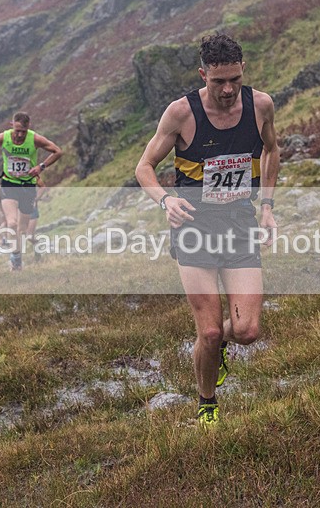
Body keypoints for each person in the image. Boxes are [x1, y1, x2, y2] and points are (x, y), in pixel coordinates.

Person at [135, 33, 280, 426]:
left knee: (246, 330)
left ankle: (217, 350)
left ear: (243, 70)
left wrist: (267, 207)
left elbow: (271, 150)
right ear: (203, 76)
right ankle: (207, 403)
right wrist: (165, 201)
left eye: (234, 79)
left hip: (239, 223)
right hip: (194, 226)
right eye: (218, 82)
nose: (228, 89)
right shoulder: (181, 113)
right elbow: (144, 167)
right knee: (211, 332)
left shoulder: (261, 106)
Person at [0, 112, 62, 270]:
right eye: (17, 131)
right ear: (12, 126)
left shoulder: (35, 139)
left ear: (28, 127)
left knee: (22, 230)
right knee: (12, 223)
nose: (20, 135)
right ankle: (16, 261)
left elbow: (57, 151)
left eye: (23, 131)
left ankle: (16, 256)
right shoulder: (3, 137)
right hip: (9, 184)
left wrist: (41, 167)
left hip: (28, 187)